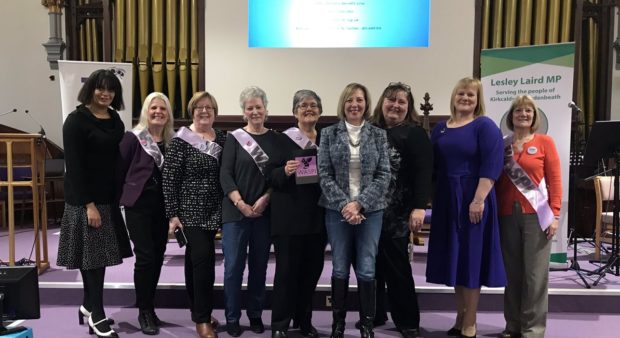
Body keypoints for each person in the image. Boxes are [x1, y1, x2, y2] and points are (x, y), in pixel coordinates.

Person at [425, 77, 505, 338]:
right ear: (454, 96)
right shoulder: (440, 129)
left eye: (471, 95)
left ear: (477, 99)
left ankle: (471, 319)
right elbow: (433, 168)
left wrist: (478, 199)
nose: (465, 98)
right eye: (461, 93)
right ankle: (460, 316)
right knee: (455, 260)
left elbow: (492, 165)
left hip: (474, 199)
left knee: (471, 260)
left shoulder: (485, 126)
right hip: (447, 201)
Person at [57, 69, 131, 338]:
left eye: (111, 89)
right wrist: (89, 205)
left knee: (97, 258)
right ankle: (97, 314)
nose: (105, 93)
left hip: (107, 198)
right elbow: (74, 168)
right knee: (92, 260)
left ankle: (88, 306)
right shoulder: (75, 121)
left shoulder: (115, 120)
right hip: (84, 200)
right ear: (90, 90)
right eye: (100, 88)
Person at [318, 82, 390, 338]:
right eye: (349, 100)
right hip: (336, 211)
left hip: (371, 211)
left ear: (366, 104)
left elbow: (384, 175)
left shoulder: (378, 135)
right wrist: (345, 205)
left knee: (367, 267)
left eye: (359, 100)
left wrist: (360, 204)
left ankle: (367, 325)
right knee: (339, 267)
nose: (354, 104)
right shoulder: (327, 134)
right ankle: (338, 325)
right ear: (343, 104)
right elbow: (324, 174)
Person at [368, 82, 433, 338]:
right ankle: (375, 313)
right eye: (390, 100)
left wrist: (419, 207)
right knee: (370, 266)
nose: (395, 105)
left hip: (398, 211)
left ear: (409, 107)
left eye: (401, 102)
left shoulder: (414, 134)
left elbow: (424, 173)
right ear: (381, 102)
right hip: (369, 211)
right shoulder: (369, 130)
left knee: (397, 266)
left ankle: (407, 320)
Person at [496, 95, 562, 338]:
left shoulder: (545, 142)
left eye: (528, 111)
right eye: (518, 111)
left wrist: (554, 214)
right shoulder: (502, 145)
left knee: (535, 276)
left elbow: (555, 180)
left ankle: (532, 330)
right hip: (505, 215)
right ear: (511, 116)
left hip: (537, 215)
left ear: (534, 117)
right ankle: (512, 325)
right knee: (512, 274)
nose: (523, 114)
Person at [163, 91, 226, 338]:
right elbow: (169, 179)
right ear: (192, 111)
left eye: (209, 107)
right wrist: (172, 214)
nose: (204, 111)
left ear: (215, 112)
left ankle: (197, 310)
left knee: (194, 261)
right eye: (199, 107)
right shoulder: (181, 141)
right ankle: (202, 319)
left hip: (215, 210)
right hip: (190, 213)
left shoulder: (222, 138)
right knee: (204, 262)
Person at [219, 86, 279, 337]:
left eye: (258, 107)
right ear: (243, 112)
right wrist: (240, 203)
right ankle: (232, 317)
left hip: (264, 214)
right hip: (235, 212)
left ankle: (255, 314)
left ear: (266, 109)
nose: (254, 111)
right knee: (233, 267)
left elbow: (277, 177)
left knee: (259, 266)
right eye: (249, 108)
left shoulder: (276, 139)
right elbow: (225, 174)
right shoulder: (234, 138)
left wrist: (266, 199)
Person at [270, 90, 326, 338]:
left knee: (311, 273)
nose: (308, 109)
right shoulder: (281, 141)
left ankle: (304, 320)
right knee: (286, 274)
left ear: (320, 111)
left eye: (313, 105)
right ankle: (280, 324)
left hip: (318, 217)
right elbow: (269, 175)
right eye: (303, 105)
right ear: (295, 112)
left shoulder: (328, 138)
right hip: (289, 218)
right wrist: (284, 170)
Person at [117, 92, 174, 335]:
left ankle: (150, 307)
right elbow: (118, 170)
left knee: (159, 255)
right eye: (154, 108)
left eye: (163, 108)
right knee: (146, 257)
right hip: (139, 206)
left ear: (168, 113)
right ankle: (144, 310)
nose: (158, 112)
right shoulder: (133, 138)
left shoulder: (172, 140)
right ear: (146, 111)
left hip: (163, 207)